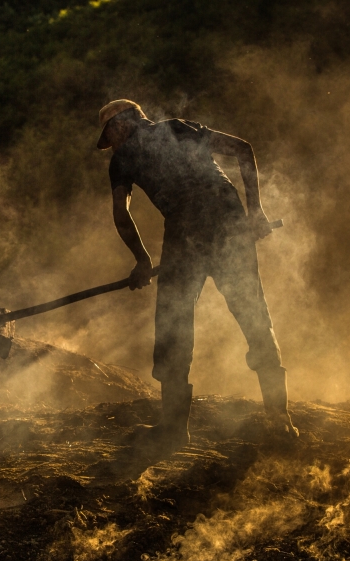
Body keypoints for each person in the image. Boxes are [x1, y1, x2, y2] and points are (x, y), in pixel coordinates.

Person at [97, 99, 298, 452]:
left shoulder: (122, 160)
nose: (110, 144)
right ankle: (279, 420)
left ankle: (174, 429)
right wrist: (255, 212)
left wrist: (142, 261)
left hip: (186, 230)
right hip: (227, 218)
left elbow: (120, 213)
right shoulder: (177, 127)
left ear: (120, 125)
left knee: (173, 323)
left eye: (109, 135)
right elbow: (242, 149)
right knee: (252, 312)